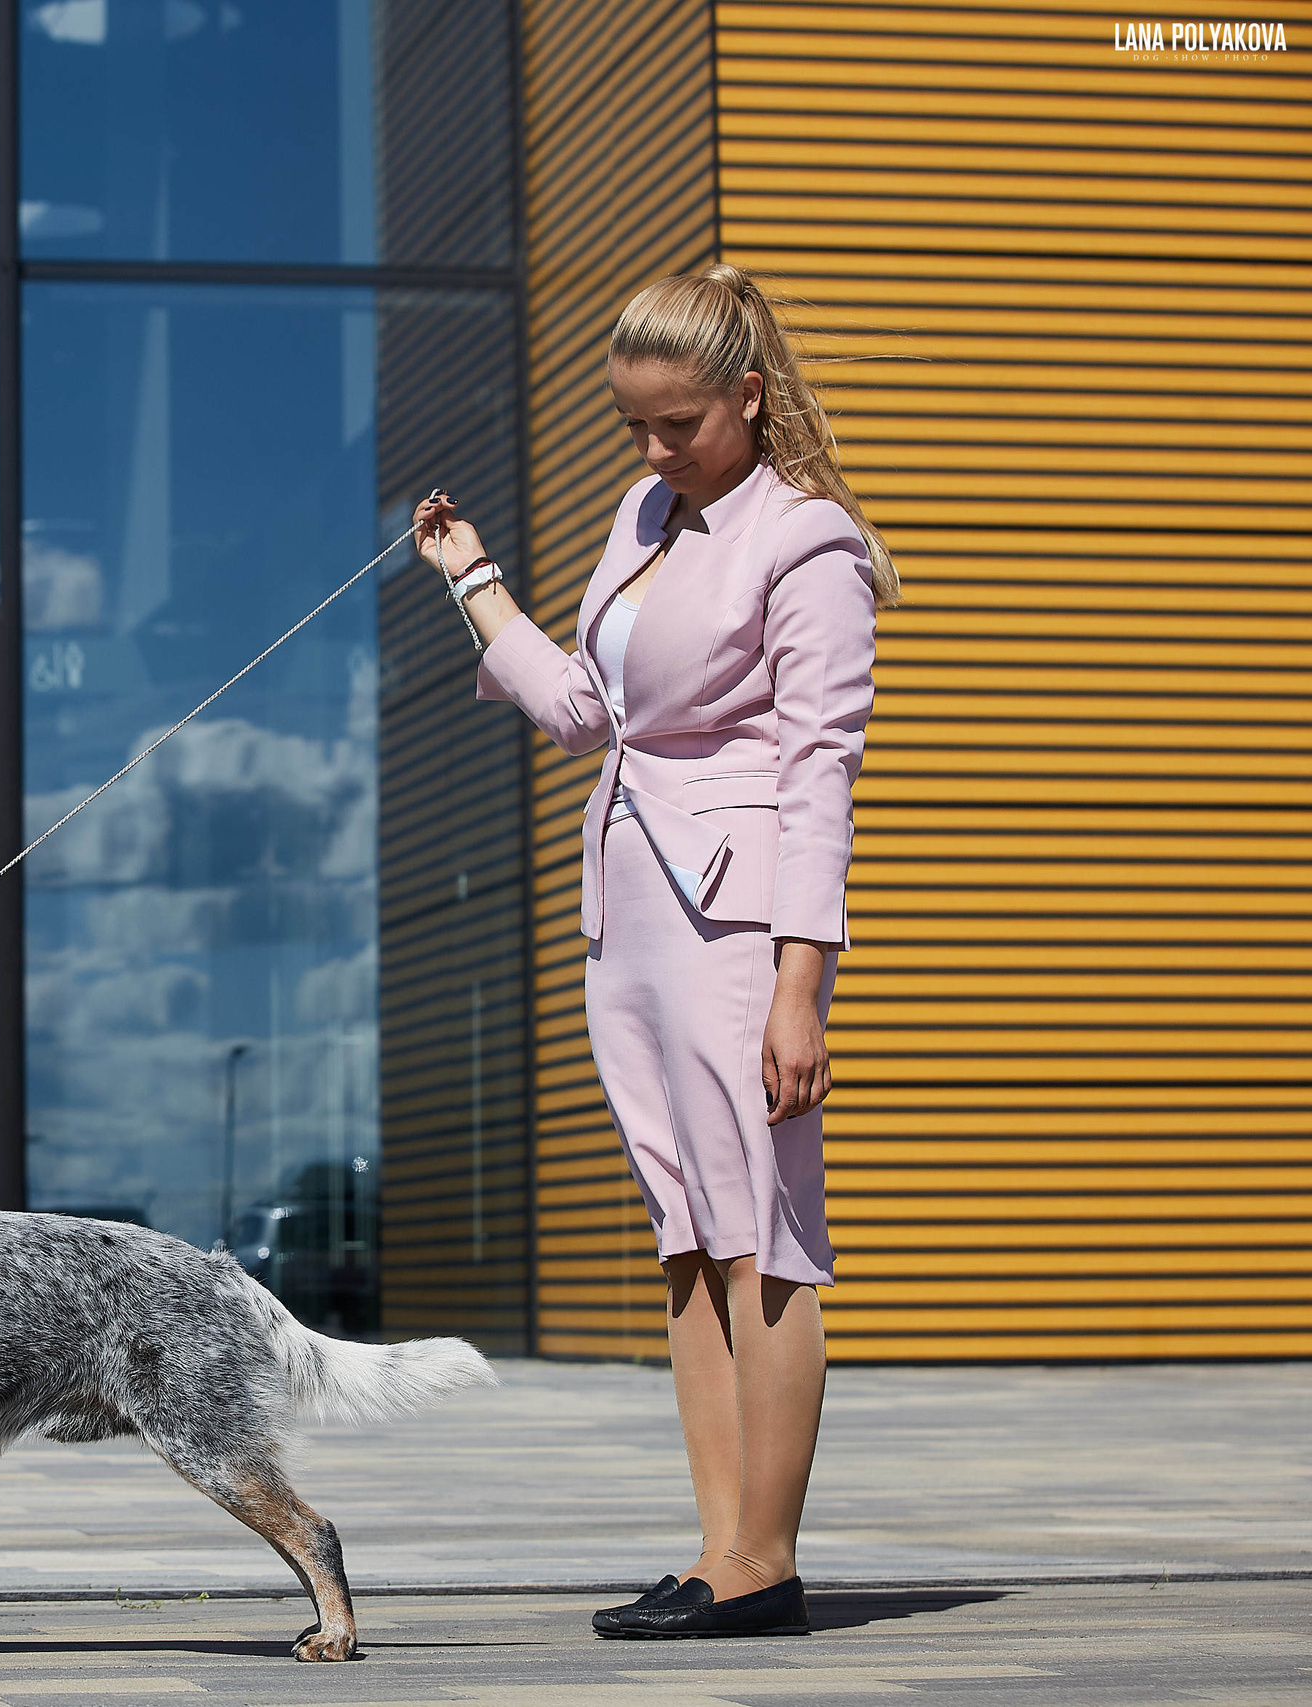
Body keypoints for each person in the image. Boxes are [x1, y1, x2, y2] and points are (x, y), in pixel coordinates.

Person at [417, 262, 898, 1640]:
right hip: (629, 915)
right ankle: (717, 1551)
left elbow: (821, 773)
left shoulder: (806, 545)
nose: (653, 450)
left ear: (748, 395)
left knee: (767, 1238)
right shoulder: (645, 515)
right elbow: (586, 712)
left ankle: (767, 1562)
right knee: (688, 1237)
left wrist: (804, 985)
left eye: (677, 423)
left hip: (743, 927)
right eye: (635, 423)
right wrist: (478, 582)